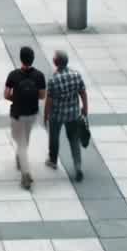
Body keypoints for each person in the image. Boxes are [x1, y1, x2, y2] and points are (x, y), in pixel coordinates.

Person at [4, 46, 46, 190]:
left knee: (21, 143)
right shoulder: (39, 76)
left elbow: (6, 94)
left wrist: (15, 99)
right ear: (33, 59)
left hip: (17, 113)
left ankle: (25, 174)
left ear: (20, 58)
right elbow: (42, 95)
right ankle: (20, 159)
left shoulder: (13, 75)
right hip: (32, 113)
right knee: (25, 140)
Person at [44, 50, 89, 182]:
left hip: (57, 115)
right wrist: (85, 108)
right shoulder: (76, 75)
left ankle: (53, 160)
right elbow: (83, 93)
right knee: (74, 140)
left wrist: (46, 115)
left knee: (54, 137)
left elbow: (49, 100)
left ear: (55, 62)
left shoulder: (53, 80)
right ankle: (78, 166)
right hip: (73, 114)